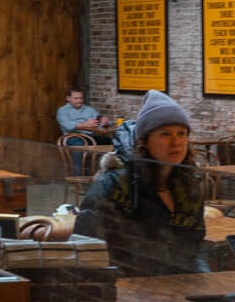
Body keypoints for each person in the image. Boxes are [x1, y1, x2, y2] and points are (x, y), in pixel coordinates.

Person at [75, 91, 208, 276]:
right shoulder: (117, 183)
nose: (176, 142)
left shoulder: (188, 186)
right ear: (144, 141)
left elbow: (194, 249)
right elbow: (90, 250)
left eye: (182, 133)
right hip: (127, 289)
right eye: (165, 134)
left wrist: (204, 282)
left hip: (175, 288)